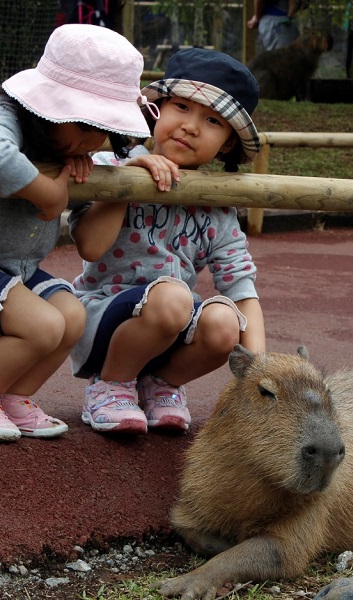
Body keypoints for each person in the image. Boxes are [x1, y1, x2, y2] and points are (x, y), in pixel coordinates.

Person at [0, 24, 152, 442]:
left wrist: (119, 171)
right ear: (45, 106)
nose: (89, 140)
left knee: (72, 316)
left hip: (16, 270)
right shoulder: (2, 116)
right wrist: (47, 194)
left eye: (99, 129)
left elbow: (97, 179)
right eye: (80, 124)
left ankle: (13, 397)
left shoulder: (71, 149)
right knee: (43, 326)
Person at [68, 48, 267, 435]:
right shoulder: (112, 168)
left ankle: (159, 385)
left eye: (212, 120)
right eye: (181, 107)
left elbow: (242, 290)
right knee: (175, 298)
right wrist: (129, 179)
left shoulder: (216, 208)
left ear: (227, 143)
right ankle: (110, 385)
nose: (191, 126)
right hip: (101, 321)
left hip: (171, 328)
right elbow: (89, 246)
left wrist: (260, 374)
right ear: (155, 110)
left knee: (226, 323)